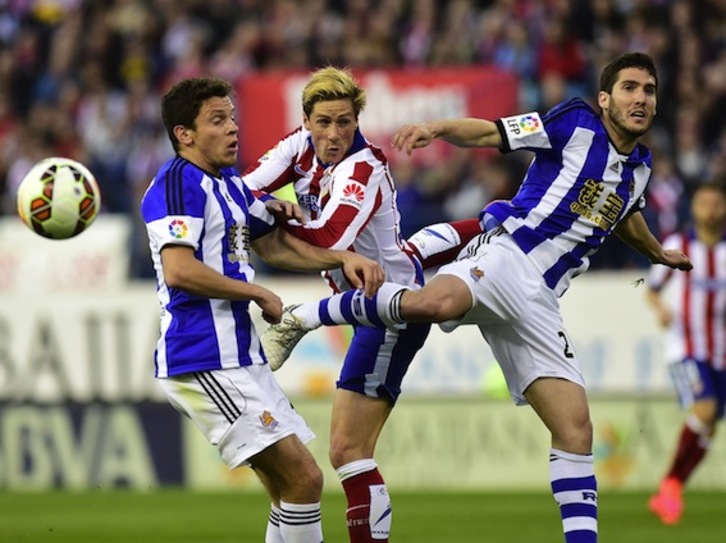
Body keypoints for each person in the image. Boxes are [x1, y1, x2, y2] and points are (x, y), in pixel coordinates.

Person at [261, 52, 694, 543]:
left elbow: (626, 214)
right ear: (604, 99)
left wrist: (658, 253)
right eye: (629, 87)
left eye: (648, 90)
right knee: (432, 304)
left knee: (575, 430)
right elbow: (495, 132)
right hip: (508, 255)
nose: (639, 98)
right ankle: (306, 316)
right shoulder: (574, 123)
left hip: (542, 300)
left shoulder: (640, 169)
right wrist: (437, 128)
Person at [139, 77, 385, 543]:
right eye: (217, 120)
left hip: (242, 358)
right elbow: (178, 270)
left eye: (232, 117)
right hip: (202, 356)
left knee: (291, 489)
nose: (233, 129)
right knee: (303, 478)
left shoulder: (229, 184)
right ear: (183, 134)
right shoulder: (177, 183)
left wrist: (343, 257)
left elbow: (275, 245)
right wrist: (255, 293)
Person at [243, 65, 439, 543]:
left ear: (357, 122)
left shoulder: (363, 168)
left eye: (345, 122)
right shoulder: (299, 144)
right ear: (306, 120)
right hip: (357, 307)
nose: (334, 134)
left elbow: (332, 238)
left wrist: (271, 215)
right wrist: (266, 203)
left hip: (391, 309)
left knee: (348, 449)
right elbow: (244, 189)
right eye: (324, 122)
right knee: (347, 450)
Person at [645, 182, 726, 525]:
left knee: (708, 428)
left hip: (721, 351)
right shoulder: (678, 245)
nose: (710, 209)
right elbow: (651, 290)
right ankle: (671, 484)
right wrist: (661, 309)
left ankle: (672, 485)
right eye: (703, 202)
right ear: (692, 208)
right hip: (685, 348)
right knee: (704, 411)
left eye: (716, 203)